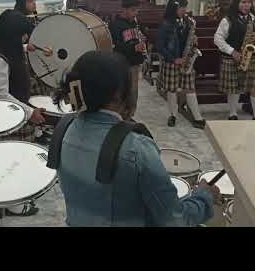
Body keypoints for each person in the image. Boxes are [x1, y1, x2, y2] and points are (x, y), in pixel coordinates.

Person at [50, 51, 220, 226]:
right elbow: (175, 220)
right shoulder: (136, 148)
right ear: (118, 93)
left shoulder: (63, 129)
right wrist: (203, 197)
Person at [0, 9, 46, 216]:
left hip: (15, 112)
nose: (25, 38)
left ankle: (17, 193)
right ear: (12, 35)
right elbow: (1, 96)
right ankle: (11, 202)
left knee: (19, 155)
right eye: (22, 35)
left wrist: (26, 47)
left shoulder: (8, 49)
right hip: (4, 117)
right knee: (10, 159)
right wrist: (30, 111)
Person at [214, 0, 255, 120]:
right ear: (237, 3)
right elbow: (218, 38)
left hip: (253, 58)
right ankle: (233, 114)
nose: (246, 5)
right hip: (233, 58)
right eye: (243, 2)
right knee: (234, 88)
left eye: (249, 2)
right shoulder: (227, 19)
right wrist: (232, 51)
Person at [156, 0, 206, 129]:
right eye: (181, 7)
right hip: (171, 62)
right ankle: (173, 115)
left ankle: (197, 117)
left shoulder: (188, 22)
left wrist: (194, 39)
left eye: (185, 7)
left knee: (190, 88)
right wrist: (173, 59)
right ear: (173, 8)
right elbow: (160, 47)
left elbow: (189, 38)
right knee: (172, 90)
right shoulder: (165, 25)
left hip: (186, 59)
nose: (184, 10)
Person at [109, 0, 147, 120]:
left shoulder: (134, 22)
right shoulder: (115, 25)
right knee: (122, 90)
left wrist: (141, 41)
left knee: (133, 91)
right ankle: (121, 115)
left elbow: (136, 38)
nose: (135, 13)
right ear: (124, 9)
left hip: (135, 62)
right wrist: (133, 48)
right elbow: (115, 46)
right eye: (133, 10)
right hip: (123, 63)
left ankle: (130, 114)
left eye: (137, 11)